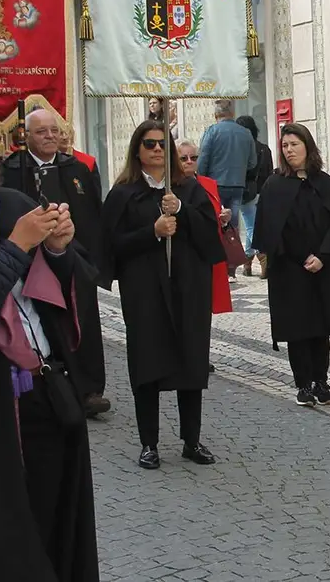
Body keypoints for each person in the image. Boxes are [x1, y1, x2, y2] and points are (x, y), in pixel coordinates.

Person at [0, 114, 100, 581]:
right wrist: (16, 247)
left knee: (53, 518)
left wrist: (57, 249)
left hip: (46, 390)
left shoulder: (15, 204)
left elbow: (70, 282)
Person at [101, 120, 225, 469]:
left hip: (187, 288)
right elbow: (112, 245)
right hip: (145, 292)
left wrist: (182, 212)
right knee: (147, 363)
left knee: (191, 360)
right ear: (137, 150)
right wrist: (151, 231)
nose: (157, 150)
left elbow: (209, 238)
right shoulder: (124, 193)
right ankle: (149, 443)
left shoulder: (188, 189)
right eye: (149, 144)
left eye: (161, 144)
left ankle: (191, 439)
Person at [2, 108, 111, 418]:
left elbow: (93, 215)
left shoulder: (77, 168)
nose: (50, 136)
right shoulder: (12, 170)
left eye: (54, 130)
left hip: (76, 261)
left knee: (84, 324)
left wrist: (93, 261)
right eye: (41, 131)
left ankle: (90, 389)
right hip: (32, 263)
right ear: (27, 136)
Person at [252, 123, 330, 406]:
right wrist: (298, 258)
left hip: (324, 266)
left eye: (294, 144)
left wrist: (322, 256)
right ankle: (303, 385)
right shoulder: (274, 185)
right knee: (298, 328)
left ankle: (321, 381)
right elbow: (270, 229)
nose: (289, 150)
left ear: (307, 146)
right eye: (285, 146)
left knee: (321, 326)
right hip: (290, 268)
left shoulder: (325, 182)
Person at [197, 100, 257, 281]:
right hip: (237, 184)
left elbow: (202, 161)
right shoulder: (246, 133)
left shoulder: (212, 131)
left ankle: (218, 265)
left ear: (216, 115)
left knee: (216, 223)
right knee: (233, 226)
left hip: (215, 185)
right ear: (233, 113)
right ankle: (231, 268)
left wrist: (201, 180)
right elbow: (253, 162)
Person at [179, 138, 234, 316]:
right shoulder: (171, 187)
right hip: (187, 255)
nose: (189, 162)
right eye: (183, 158)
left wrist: (224, 220)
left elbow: (214, 217)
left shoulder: (209, 183)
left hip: (211, 251)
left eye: (193, 158)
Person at [236, 115, 273, 278]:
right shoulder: (265, 148)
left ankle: (263, 257)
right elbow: (270, 171)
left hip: (247, 192)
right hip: (263, 192)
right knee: (253, 224)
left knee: (252, 227)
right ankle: (247, 264)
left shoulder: (242, 149)